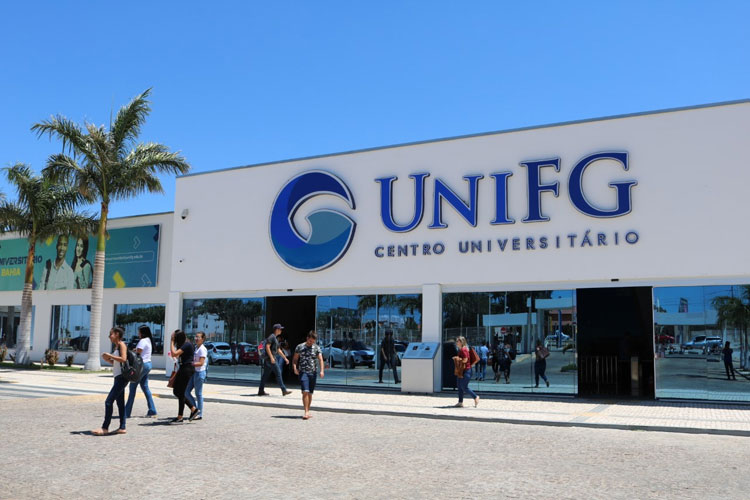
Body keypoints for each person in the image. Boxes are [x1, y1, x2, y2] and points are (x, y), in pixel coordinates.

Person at [92, 327, 128, 435]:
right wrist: (108, 360)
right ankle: (122, 427)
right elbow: (117, 363)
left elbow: (124, 359)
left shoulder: (122, 345)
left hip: (122, 378)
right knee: (120, 403)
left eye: (111, 334)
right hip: (118, 377)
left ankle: (105, 428)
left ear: (117, 334)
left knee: (108, 401)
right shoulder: (117, 346)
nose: (109, 336)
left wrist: (110, 355)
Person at [124, 325, 158, 418]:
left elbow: (138, 353)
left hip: (141, 366)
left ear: (143, 333)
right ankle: (152, 410)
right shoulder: (148, 340)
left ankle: (126, 412)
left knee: (132, 386)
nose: (138, 334)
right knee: (145, 387)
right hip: (148, 364)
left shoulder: (142, 341)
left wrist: (130, 351)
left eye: (139, 332)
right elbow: (140, 351)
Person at [292, 330, 325, 420]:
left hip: (313, 373)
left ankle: (308, 410)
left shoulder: (316, 348)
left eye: (313, 341)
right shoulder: (300, 347)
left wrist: (322, 371)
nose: (311, 343)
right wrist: (295, 368)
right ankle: (306, 412)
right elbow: (295, 359)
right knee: (305, 391)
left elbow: (320, 359)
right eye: (310, 341)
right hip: (303, 372)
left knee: (310, 393)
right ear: (307, 338)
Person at [170, 329, 199, 423]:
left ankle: (181, 416)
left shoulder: (187, 344)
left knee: (180, 392)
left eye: (175, 337)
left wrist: (172, 341)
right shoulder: (184, 344)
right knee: (177, 391)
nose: (173, 339)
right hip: (183, 368)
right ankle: (193, 409)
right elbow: (177, 356)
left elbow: (174, 354)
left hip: (187, 369)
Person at [258, 323, 292, 396]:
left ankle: (261, 391)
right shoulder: (272, 337)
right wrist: (271, 357)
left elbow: (278, 350)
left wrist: (285, 358)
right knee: (278, 373)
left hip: (269, 359)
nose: (281, 330)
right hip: (271, 359)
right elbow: (267, 347)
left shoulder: (275, 338)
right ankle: (284, 390)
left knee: (265, 376)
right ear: (276, 330)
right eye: (280, 329)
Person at [185, 331, 208, 420]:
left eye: (198, 337)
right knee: (186, 392)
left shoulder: (202, 349)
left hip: (199, 373)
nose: (196, 338)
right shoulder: (196, 348)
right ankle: (195, 410)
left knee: (198, 394)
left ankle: (199, 414)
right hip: (194, 372)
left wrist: (191, 364)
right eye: (196, 337)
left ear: (203, 339)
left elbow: (201, 363)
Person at [451, 336, 479, 408]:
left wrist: (457, 359)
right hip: (461, 370)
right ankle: (460, 402)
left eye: (458, 341)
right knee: (459, 386)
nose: (456, 342)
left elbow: (465, 360)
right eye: (457, 341)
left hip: (466, 371)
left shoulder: (464, 349)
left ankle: (475, 397)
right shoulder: (461, 349)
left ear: (461, 342)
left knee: (464, 387)